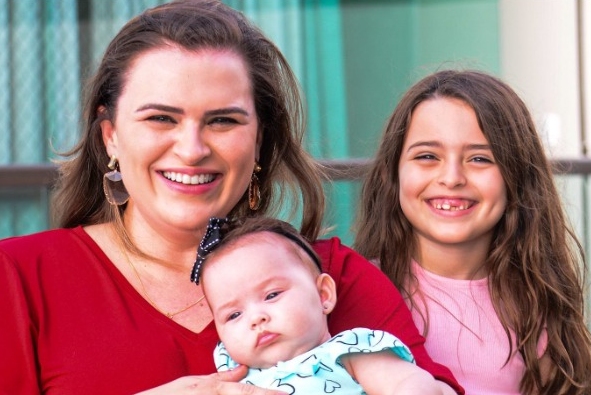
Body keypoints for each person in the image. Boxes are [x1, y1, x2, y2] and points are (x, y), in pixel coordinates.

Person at [0, 1, 462, 394]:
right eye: (161, 118)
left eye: (223, 121)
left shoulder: (332, 276)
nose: (193, 148)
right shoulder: (18, 280)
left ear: (260, 141)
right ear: (111, 137)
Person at [354, 69, 591, 394]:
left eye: (480, 158)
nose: (451, 177)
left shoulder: (539, 309)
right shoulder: (355, 292)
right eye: (427, 156)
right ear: (393, 173)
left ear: (516, 177)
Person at [192, 216, 452, 395]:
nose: (256, 318)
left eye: (271, 295)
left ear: (323, 295)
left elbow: (407, 383)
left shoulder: (346, 351)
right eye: (234, 314)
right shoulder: (232, 377)